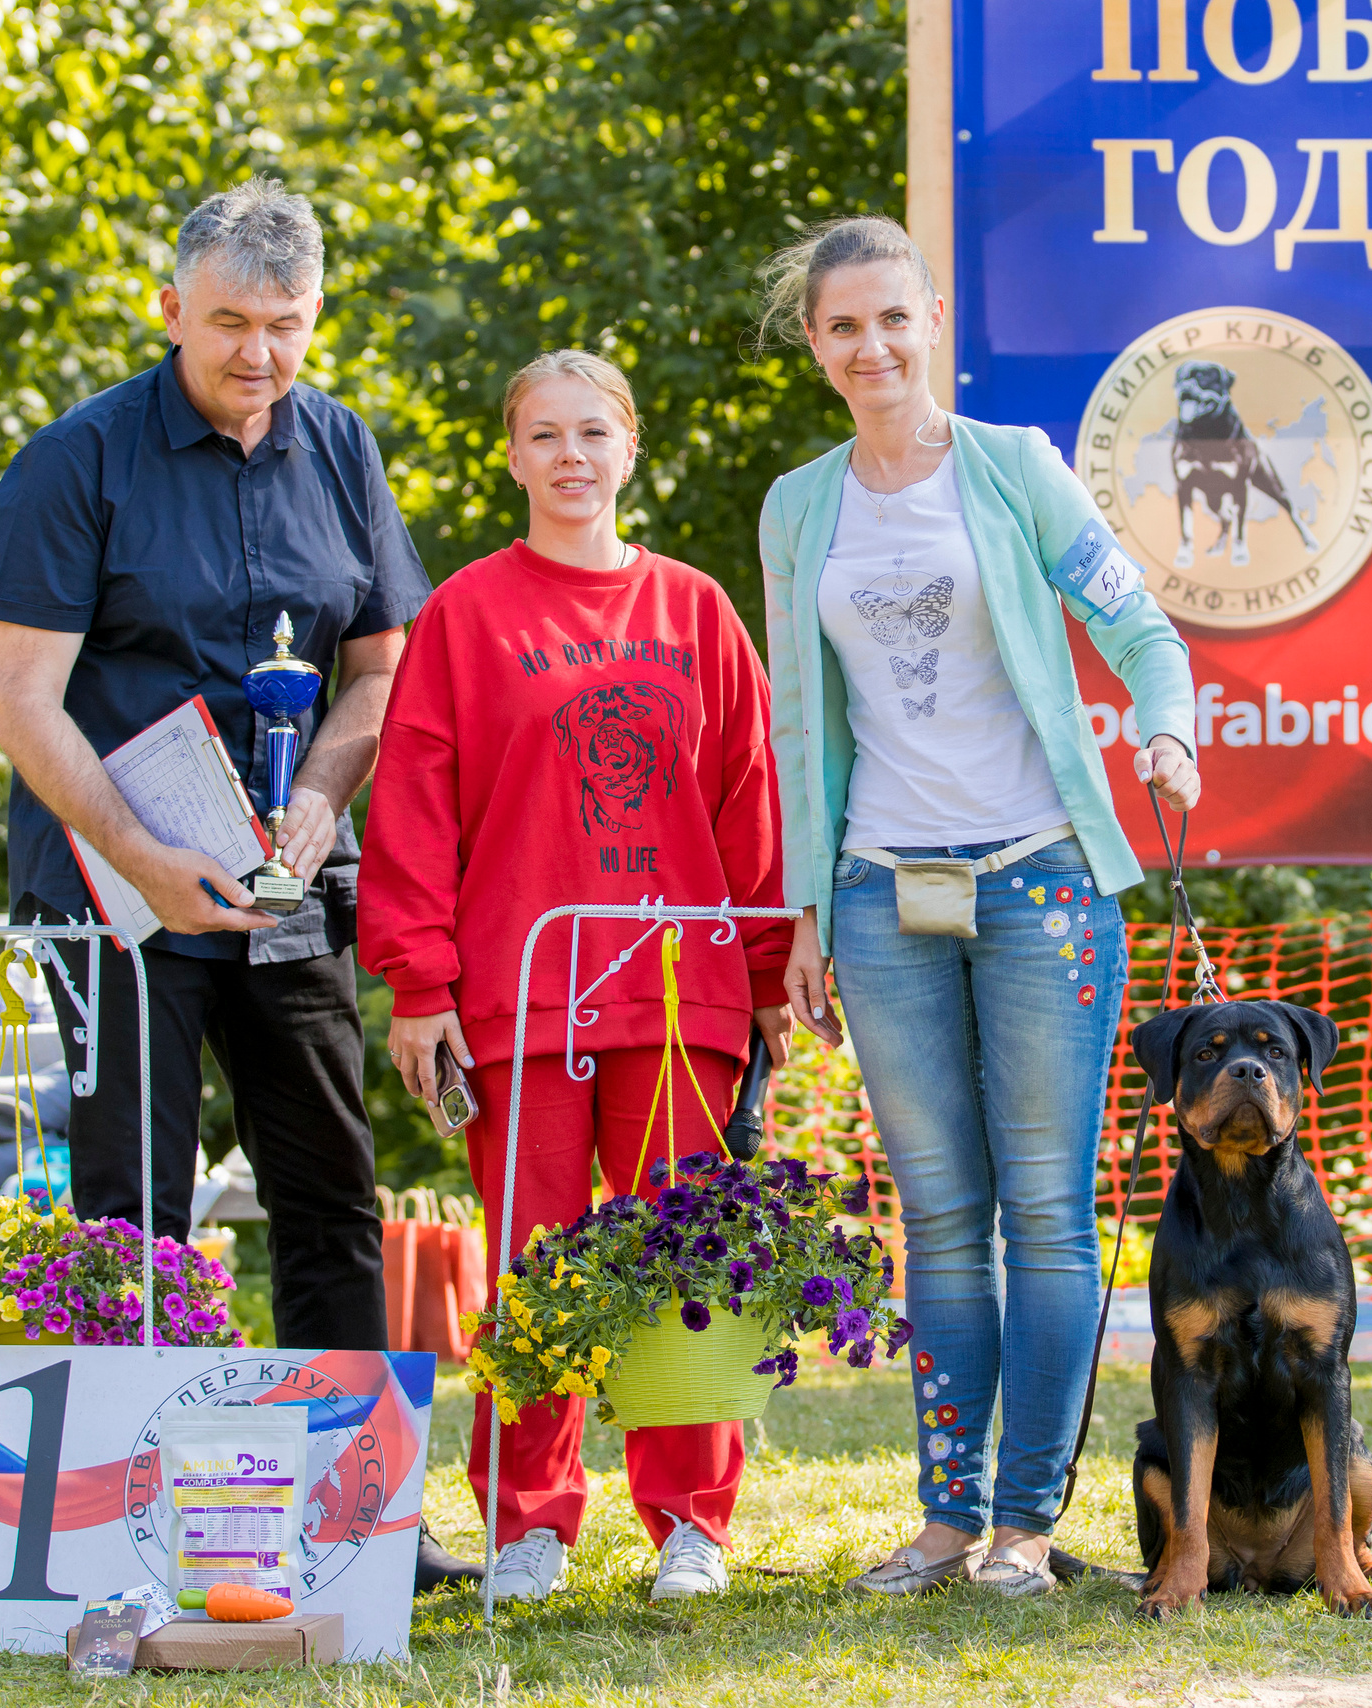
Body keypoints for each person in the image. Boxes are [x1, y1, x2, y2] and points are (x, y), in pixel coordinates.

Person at [0, 180, 475, 1588]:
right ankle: (130, 1526)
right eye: (230, 324)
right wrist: (143, 853)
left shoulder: (340, 446)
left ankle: (362, 1519)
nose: (260, 355)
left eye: (288, 325)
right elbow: (24, 702)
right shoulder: (80, 459)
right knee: (135, 1203)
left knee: (332, 1190)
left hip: (289, 884)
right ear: (169, 309)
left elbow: (381, 664)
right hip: (116, 884)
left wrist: (322, 796)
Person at [755, 216, 1202, 1598]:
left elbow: (1139, 629)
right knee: (939, 1216)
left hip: (1040, 875)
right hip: (881, 890)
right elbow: (795, 722)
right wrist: (804, 913)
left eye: (893, 319)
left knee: (1049, 1215)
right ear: (816, 345)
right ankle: (947, 1519)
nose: (871, 346)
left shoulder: (1013, 471)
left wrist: (1166, 728)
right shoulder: (797, 507)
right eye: (842, 327)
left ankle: (1024, 1524)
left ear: (932, 319)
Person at [360, 350, 794, 1604]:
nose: (569, 456)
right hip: (521, 987)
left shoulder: (695, 610)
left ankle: (690, 1525)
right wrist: (420, 981)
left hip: (680, 988)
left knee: (682, 1257)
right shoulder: (465, 612)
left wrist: (764, 965)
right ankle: (529, 1525)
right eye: (543, 435)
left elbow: (749, 799)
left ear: (629, 448)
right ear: (512, 455)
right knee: (533, 1265)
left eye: (592, 433)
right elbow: (415, 806)